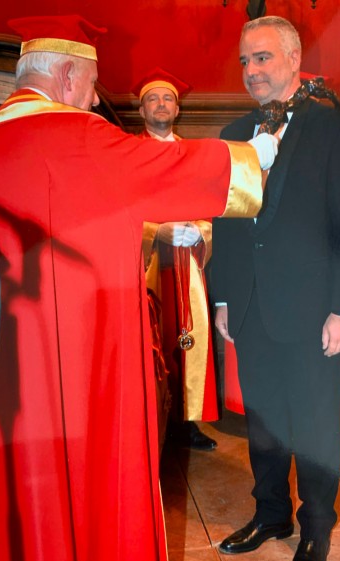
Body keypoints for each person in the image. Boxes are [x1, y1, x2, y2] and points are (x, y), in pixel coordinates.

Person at [0, 14, 279, 561]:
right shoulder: (82, 137)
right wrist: (252, 156)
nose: (89, 100)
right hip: (80, 367)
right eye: (88, 86)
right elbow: (173, 171)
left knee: (12, 498)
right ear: (64, 77)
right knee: (90, 492)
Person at [211, 16, 340, 561]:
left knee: (316, 423)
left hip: (312, 309)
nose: (252, 71)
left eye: (263, 58)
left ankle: (317, 527)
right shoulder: (232, 133)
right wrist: (224, 297)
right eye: (245, 61)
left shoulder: (333, 129)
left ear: (293, 58)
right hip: (251, 305)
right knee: (266, 422)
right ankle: (271, 515)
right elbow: (227, 226)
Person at [135, 68, 218, 452]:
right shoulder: (128, 153)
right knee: (152, 339)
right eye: (153, 99)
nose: (161, 104)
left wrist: (202, 230)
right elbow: (124, 210)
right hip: (148, 262)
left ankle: (188, 423)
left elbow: (209, 206)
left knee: (189, 339)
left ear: (178, 107)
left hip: (187, 263)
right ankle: (152, 421)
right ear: (141, 110)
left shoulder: (192, 154)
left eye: (167, 98)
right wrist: (155, 231)